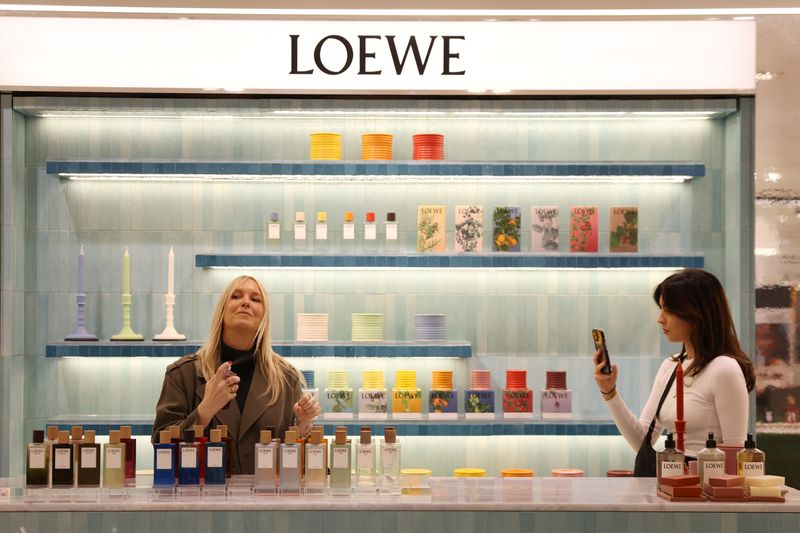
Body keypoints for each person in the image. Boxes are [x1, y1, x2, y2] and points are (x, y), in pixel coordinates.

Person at [152, 275, 320, 474]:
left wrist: (304, 422)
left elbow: (301, 463)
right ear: (222, 310)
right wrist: (204, 411)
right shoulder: (183, 374)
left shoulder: (285, 378)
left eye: (255, 299)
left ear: (264, 317)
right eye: (236, 296)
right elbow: (161, 445)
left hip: (267, 500)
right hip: (201, 500)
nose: (245, 302)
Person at [594, 269, 755, 457]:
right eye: (661, 308)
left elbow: (735, 457)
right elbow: (642, 441)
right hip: (672, 480)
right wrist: (609, 391)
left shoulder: (724, 369)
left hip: (705, 482)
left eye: (669, 311)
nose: (660, 318)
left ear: (696, 313)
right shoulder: (670, 367)